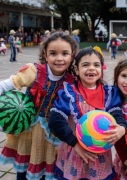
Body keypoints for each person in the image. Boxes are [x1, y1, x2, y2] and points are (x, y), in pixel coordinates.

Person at [0, 31, 78, 180]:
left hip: (54, 136)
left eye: (65, 53)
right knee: (24, 173)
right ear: (46, 55)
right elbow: (7, 84)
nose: (59, 58)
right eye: (53, 53)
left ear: (72, 55)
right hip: (28, 132)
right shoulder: (34, 71)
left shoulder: (72, 81)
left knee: (50, 173)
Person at [48, 47, 127, 180]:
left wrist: (122, 127)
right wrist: (75, 144)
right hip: (74, 151)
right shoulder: (69, 93)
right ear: (76, 70)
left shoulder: (109, 93)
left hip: (100, 156)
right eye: (85, 65)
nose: (91, 68)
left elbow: (117, 114)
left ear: (102, 69)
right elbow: (55, 121)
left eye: (96, 65)